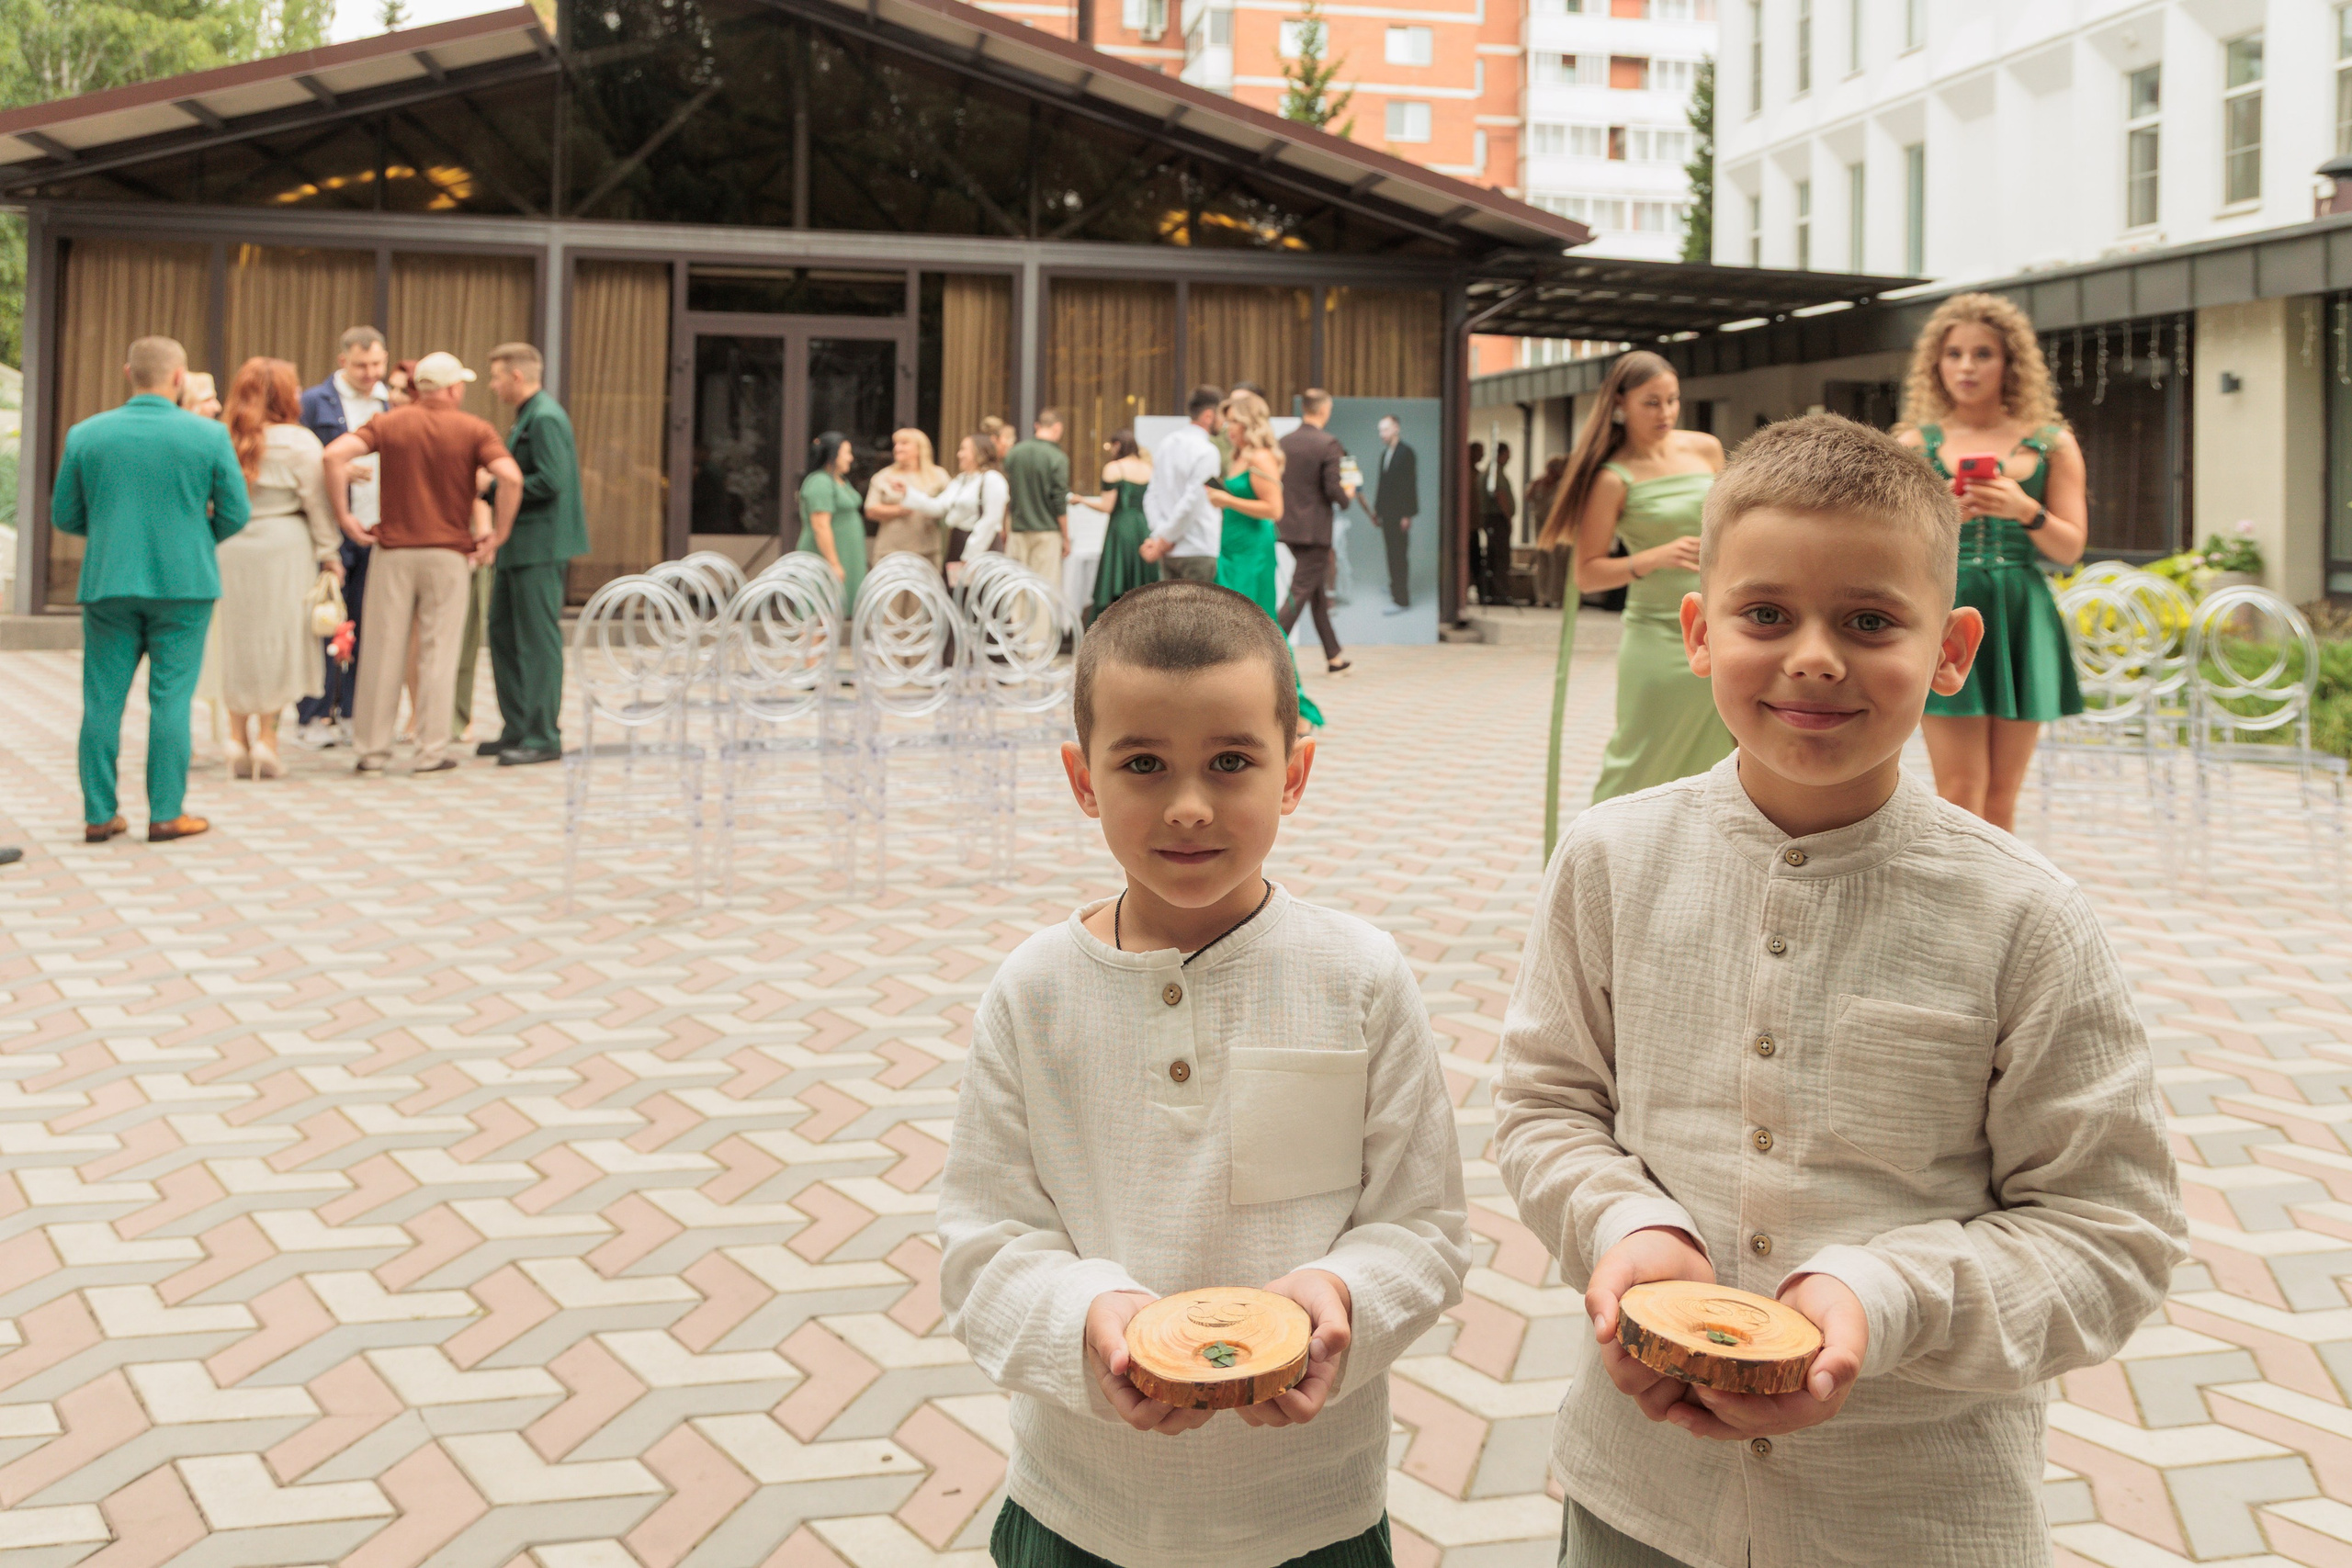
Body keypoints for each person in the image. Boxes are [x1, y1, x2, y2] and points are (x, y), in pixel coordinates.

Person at [1493, 413, 2184, 1568]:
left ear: (1952, 649)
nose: (1814, 655)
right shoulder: (1610, 859)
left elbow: (2112, 1234)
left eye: (1869, 621)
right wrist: (1628, 1226)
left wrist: (1886, 1293)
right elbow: (1544, 1107)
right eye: (1767, 615)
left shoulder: (2026, 916)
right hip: (1639, 1496)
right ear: (1700, 632)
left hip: (1911, 1516)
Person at [939, 577, 1468, 1568]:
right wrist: (1085, 1319)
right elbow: (984, 1248)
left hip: (1313, 1516)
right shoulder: (1035, 991)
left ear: (1295, 772)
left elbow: (1423, 1229)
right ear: (1081, 777)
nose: (1188, 807)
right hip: (1080, 1511)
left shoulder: (1356, 975)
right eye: (1143, 763)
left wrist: (1340, 1298)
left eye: (1231, 762)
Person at [1896, 292, 2088, 831]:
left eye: (1983, 354)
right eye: (1954, 354)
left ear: (2010, 364)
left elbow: (2070, 549)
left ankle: (1996, 909)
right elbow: (1893, 550)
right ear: (1935, 364)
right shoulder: (1914, 445)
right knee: (1957, 791)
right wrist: (1944, 521)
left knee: (2002, 798)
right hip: (1949, 612)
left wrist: (2025, 508)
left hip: (2020, 614)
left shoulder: (2052, 444)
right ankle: (1954, 904)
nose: (1966, 367)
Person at [54, 335, 250, 843]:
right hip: (185, 584)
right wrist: (195, 539)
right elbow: (236, 512)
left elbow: (65, 515)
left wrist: (112, 537)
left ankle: (99, 815)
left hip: (108, 583)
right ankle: (165, 813)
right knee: (171, 701)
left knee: (101, 702)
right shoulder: (208, 436)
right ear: (180, 378)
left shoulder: (86, 434)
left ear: (128, 373)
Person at [1539, 350, 1730, 805]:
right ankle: (1597, 858)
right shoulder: (1612, 478)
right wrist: (1653, 557)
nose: (1665, 413)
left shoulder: (1706, 448)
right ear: (1620, 404)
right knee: (1637, 759)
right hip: (1656, 638)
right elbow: (1586, 575)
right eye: (1651, 402)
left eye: (1672, 400)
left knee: (1723, 761)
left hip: (1718, 632)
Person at [322, 351, 520, 776]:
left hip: (393, 552)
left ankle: (371, 752)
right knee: (438, 653)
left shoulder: (390, 423)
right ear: (452, 389)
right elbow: (512, 476)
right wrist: (497, 535)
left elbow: (333, 456)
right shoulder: (474, 429)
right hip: (449, 554)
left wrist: (345, 518)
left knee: (381, 653)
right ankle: (431, 751)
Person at [214, 356, 340, 781]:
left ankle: (235, 738)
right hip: (284, 549)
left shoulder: (220, 437)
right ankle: (268, 741)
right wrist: (331, 555)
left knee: (234, 641)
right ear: (286, 394)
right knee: (279, 642)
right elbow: (318, 507)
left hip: (227, 546)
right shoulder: (300, 443)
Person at [482, 343, 585, 768]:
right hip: (518, 544)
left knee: (537, 641)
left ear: (517, 377)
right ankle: (517, 727)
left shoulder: (544, 417)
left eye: (496, 377)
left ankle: (543, 735)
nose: (493, 385)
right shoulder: (529, 415)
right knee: (503, 633)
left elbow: (551, 479)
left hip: (539, 546)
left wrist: (492, 487)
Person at [295, 327, 390, 749]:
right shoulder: (314, 403)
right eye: (361, 365)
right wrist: (337, 470)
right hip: (332, 528)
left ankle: (354, 712)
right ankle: (313, 714)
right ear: (342, 361)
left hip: (375, 525)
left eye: (376, 364)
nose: (370, 372)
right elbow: (300, 459)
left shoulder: (389, 403)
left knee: (366, 622)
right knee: (325, 620)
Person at [1211, 390, 1325, 735]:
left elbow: (1274, 510)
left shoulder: (1261, 456)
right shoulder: (1238, 455)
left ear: (1247, 422)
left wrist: (1225, 499)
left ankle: (1298, 709)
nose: (1227, 427)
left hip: (1252, 552)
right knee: (1229, 623)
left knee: (1261, 625)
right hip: (1231, 547)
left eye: (1232, 421)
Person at [1278, 389, 1354, 676]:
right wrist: (1347, 495)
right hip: (1315, 531)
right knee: (1300, 591)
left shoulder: (1284, 442)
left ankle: (1334, 656)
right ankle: (1267, 648)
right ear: (1324, 410)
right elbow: (1333, 488)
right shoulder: (1328, 443)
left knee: (1316, 592)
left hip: (1289, 528)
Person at [1139, 385, 1225, 585]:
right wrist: (1165, 539)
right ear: (1208, 416)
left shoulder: (1166, 443)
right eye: (1221, 415)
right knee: (1196, 615)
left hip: (1169, 551)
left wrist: (1161, 536)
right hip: (1197, 548)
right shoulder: (1207, 451)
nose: (1224, 422)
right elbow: (1193, 502)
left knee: (1171, 615)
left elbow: (1151, 494)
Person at [906, 431, 1010, 581]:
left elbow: (990, 520)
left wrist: (971, 554)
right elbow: (938, 507)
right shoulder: (961, 480)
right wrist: (908, 493)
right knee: (956, 591)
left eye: (963, 449)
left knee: (978, 593)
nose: (959, 454)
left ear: (979, 452)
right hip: (958, 541)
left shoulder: (992, 479)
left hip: (982, 545)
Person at [1083, 429, 1156, 621]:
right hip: (1142, 527)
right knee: (1141, 587)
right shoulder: (1149, 469)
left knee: (1114, 583)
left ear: (1117, 445)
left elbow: (1107, 506)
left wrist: (1080, 500)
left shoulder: (1114, 468)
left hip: (1121, 528)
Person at [795, 432, 869, 608]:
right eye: (847, 453)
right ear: (833, 455)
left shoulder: (840, 480)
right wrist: (833, 563)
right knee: (821, 612)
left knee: (833, 613)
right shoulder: (820, 482)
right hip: (827, 556)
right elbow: (820, 526)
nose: (851, 458)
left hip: (846, 554)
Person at [1002, 409, 1072, 592]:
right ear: (1057, 428)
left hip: (1017, 531)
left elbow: (1008, 494)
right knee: (1043, 591)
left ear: (1036, 426)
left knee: (1017, 590)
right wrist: (1066, 537)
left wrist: (1005, 526)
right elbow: (1059, 500)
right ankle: (1040, 624)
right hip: (1046, 533)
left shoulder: (1014, 453)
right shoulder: (1057, 457)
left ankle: (1017, 622)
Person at [865, 428, 950, 567]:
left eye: (904, 443)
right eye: (896, 444)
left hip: (927, 552)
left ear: (920, 448)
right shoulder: (884, 476)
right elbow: (870, 510)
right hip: (890, 552)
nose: (898, 448)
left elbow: (949, 507)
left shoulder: (939, 476)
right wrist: (899, 510)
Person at [1370, 414, 1418, 614]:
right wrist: (1377, 511)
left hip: (1399, 514)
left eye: (1385, 429)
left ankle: (1402, 599)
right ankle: (1394, 587)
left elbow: (1409, 485)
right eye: (1380, 430)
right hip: (1388, 513)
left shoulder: (1406, 453)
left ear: (1396, 428)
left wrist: (1407, 515)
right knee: (1392, 552)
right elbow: (1383, 485)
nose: (1382, 434)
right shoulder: (1386, 454)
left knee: (1399, 555)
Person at [1527, 455, 1570, 608]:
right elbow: (1528, 498)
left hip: (1556, 528)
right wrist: (1536, 486)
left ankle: (1556, 596)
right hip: (1540, 528)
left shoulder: (1562, 486)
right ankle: (1542, 596)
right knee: (1542, 560)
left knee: (1557, 562)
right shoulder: (1539, 483)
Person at [1483, 440, 1518, 606]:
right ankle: (1500, 594)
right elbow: (1500, 495)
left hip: (1492, 518)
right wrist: (1508, 518)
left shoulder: (1490, 471)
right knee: (1500, 557)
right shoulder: (1495, 473)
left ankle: (1495, 593)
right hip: (1497, 519)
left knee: (1495, 556)